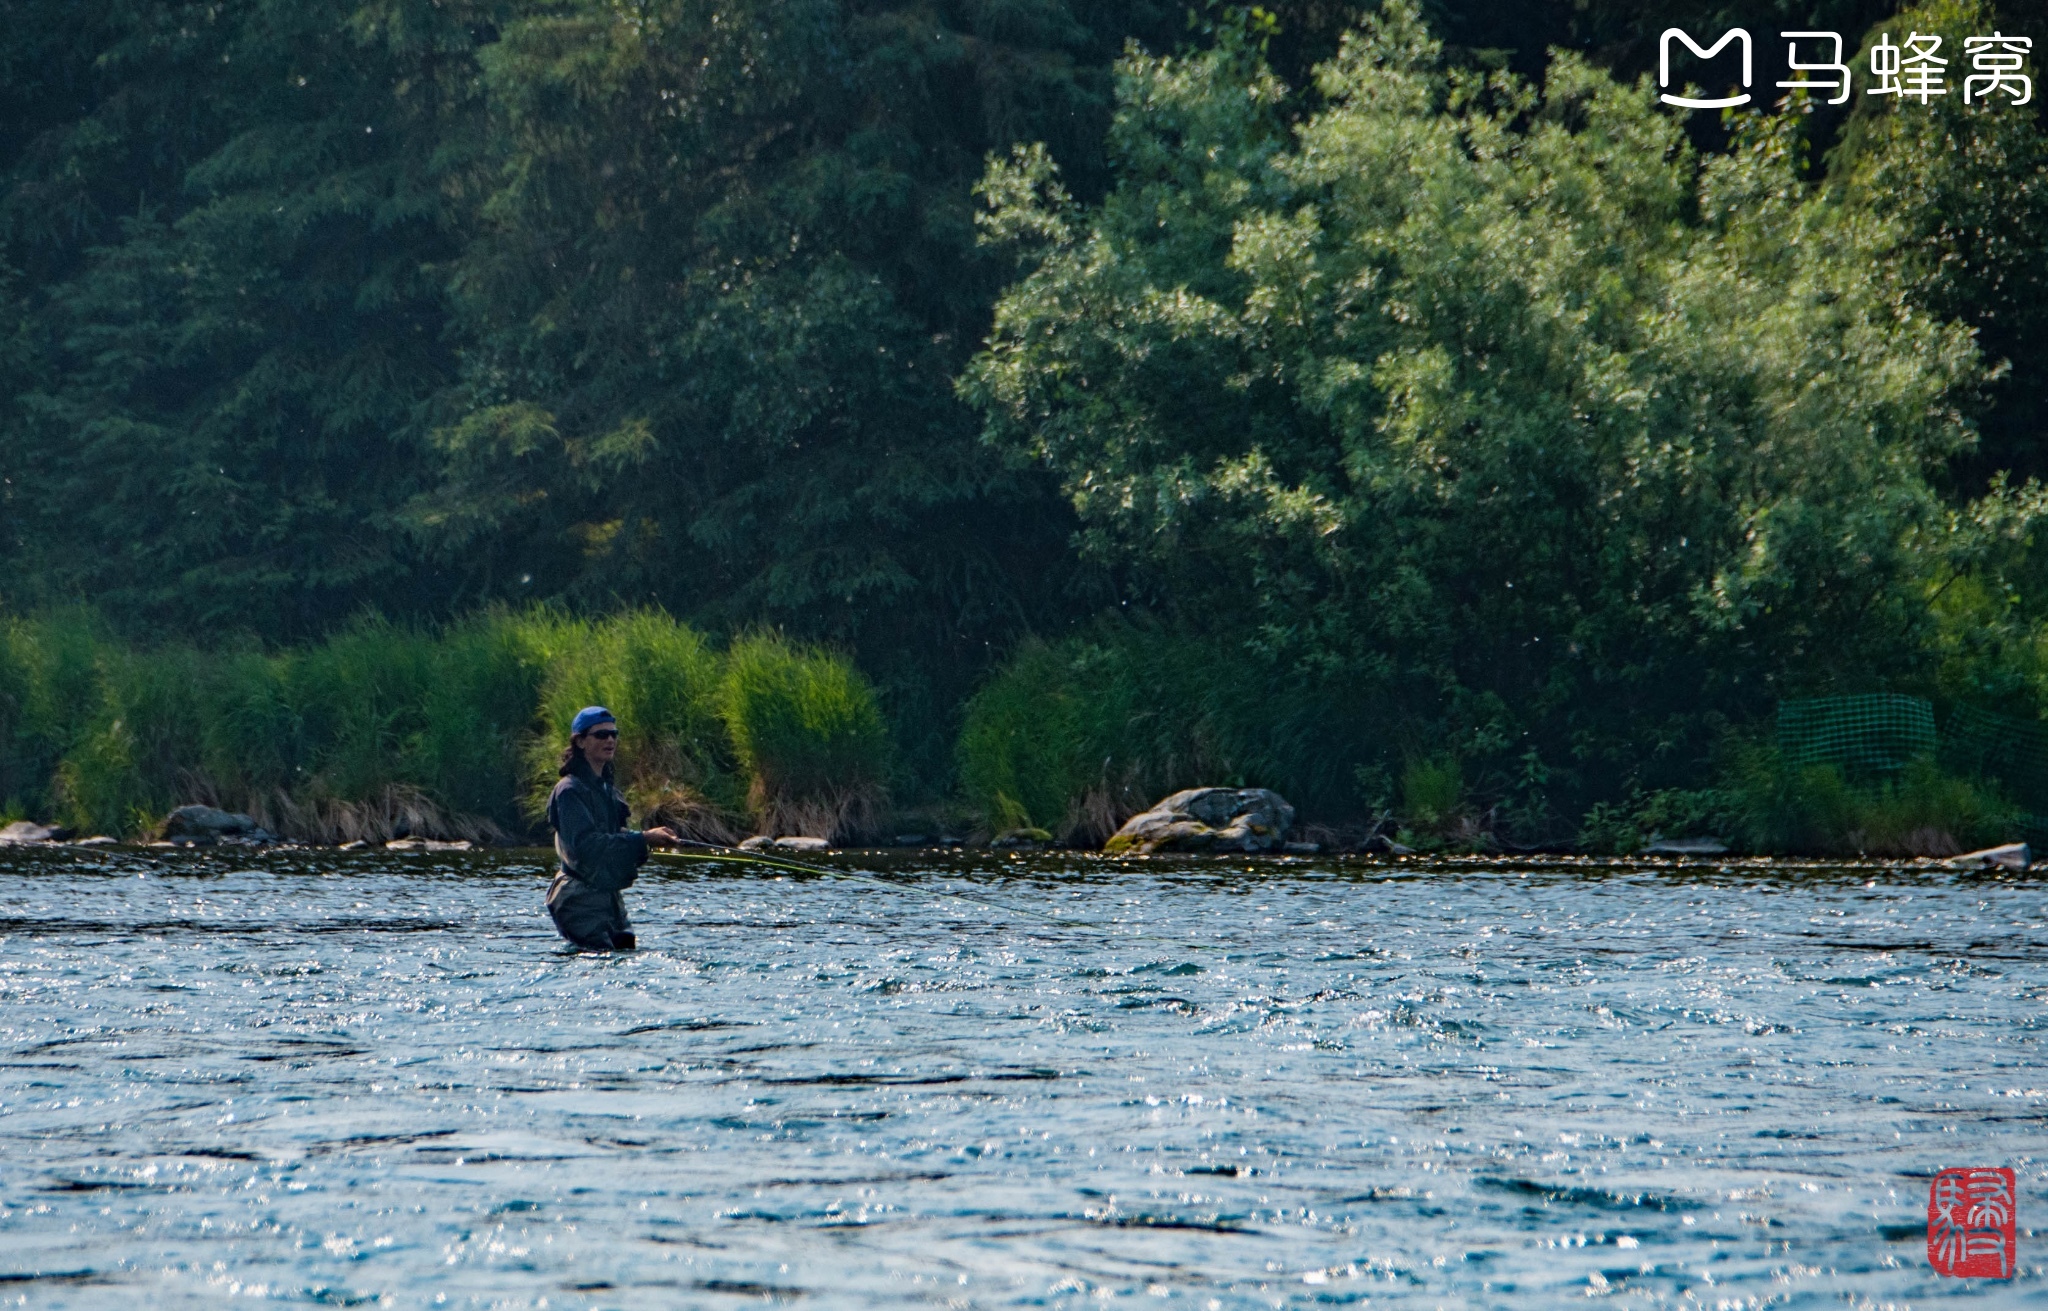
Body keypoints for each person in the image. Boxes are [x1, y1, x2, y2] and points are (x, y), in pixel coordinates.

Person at [544, 706, 680, 950]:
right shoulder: (569, 791)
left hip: (608, 896)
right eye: (601, 735)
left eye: (613, 734)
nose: (610, 740)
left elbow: (613, 838)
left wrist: (645, 840)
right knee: (599, 961)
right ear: (581, 742)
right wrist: (644, 839)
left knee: (624, 955)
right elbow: (588, 846)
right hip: (577, 898)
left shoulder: (606, 788)